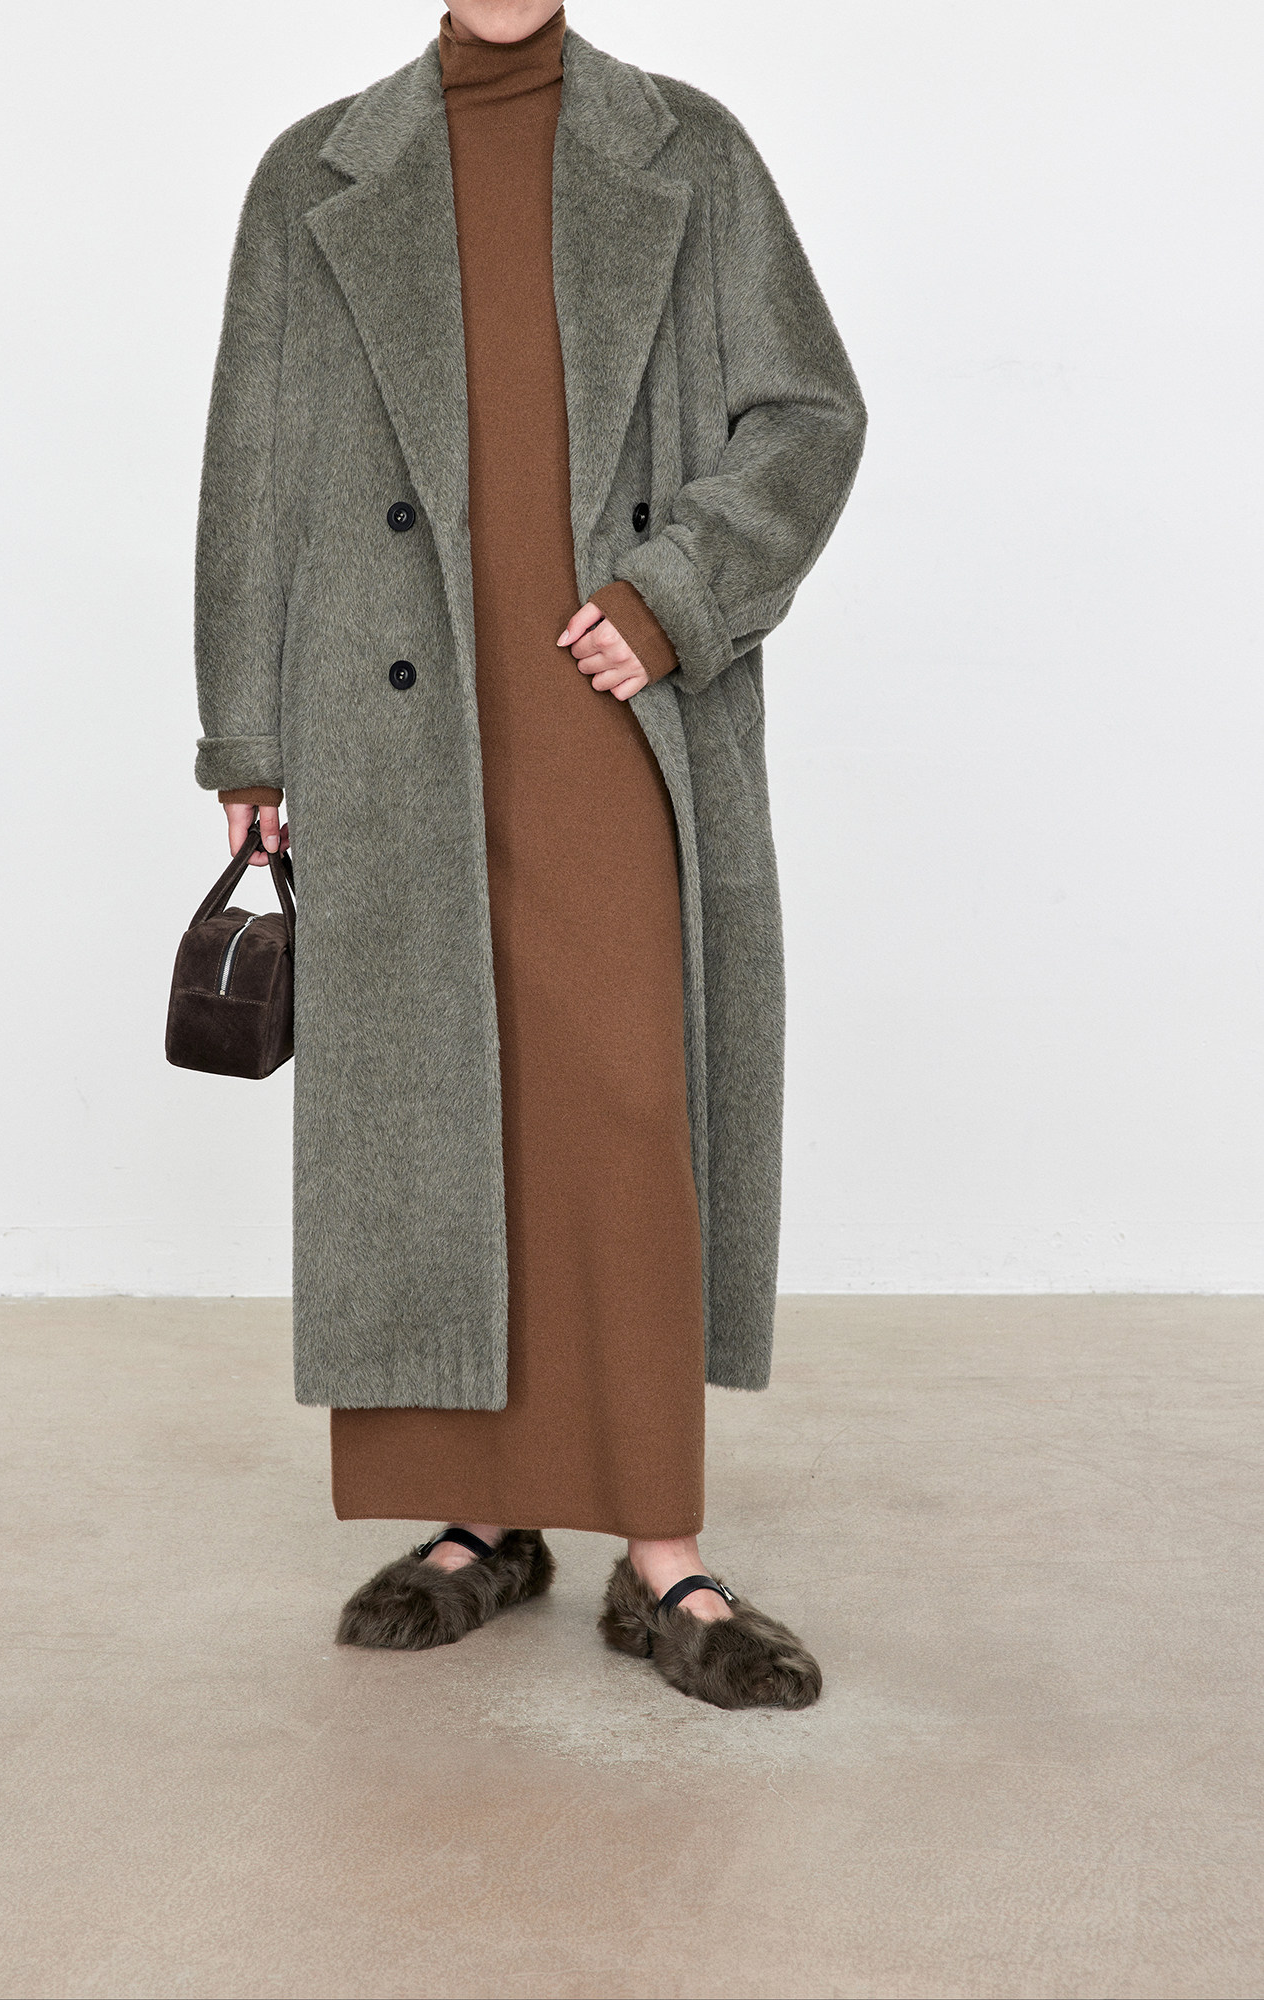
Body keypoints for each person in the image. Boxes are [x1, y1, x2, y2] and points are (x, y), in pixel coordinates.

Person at [194, 1, 866, 1708]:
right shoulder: (314, 176)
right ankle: (481, 1521)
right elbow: (251, 473)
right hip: (392, 729)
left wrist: (675, 594)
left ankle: (663, 1553)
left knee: (624, 1107)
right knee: (438, 1109)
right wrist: (248, 738)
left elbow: (808, 414)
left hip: (612, 710)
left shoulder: (690, 152)